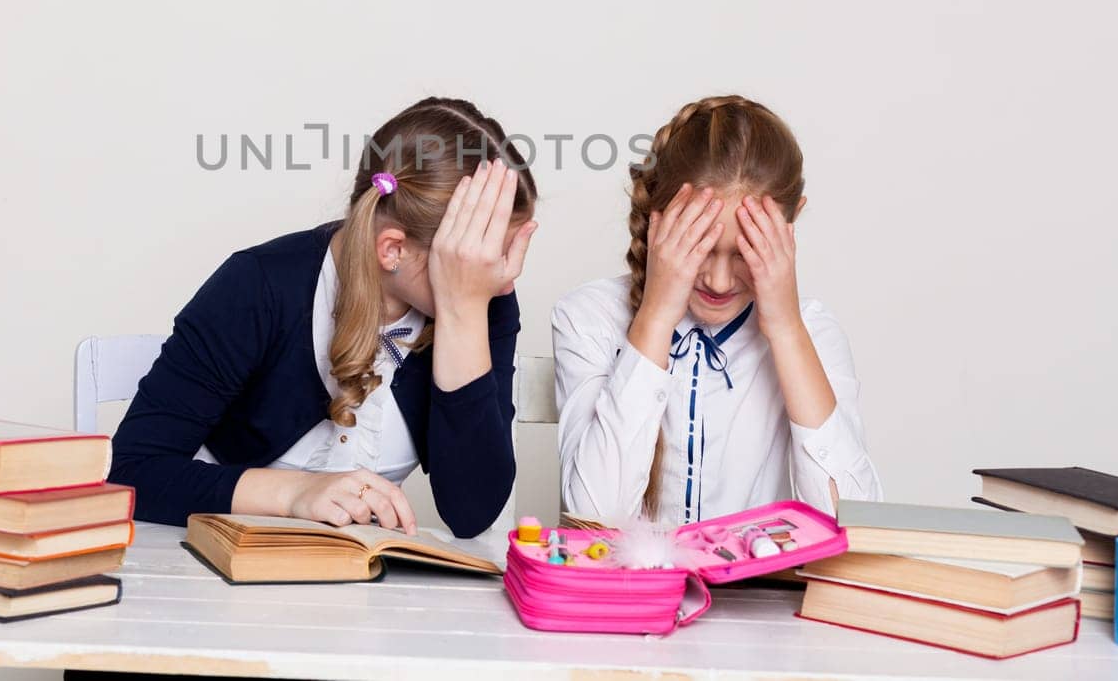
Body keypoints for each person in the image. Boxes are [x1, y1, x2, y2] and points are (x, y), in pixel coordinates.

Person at [110, 97, 538, 540]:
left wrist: (464, 315)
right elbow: (130, 470)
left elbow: (472, 511)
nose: (505, 277)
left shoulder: (483, 298)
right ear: (392, 249)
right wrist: (295, 494)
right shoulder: (259, 285)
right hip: (219, 560)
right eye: (479, 254)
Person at [553, 94, 882, 525]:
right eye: (701, 248)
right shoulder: (589, 318)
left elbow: (854, 529)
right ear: (658, 219)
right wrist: (654, 317)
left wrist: (785, 330)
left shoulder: (813, 333)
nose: (719, 281)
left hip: (762, 592)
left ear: (790, 223)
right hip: (632, 592)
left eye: (745, 252)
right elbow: (592, 519)